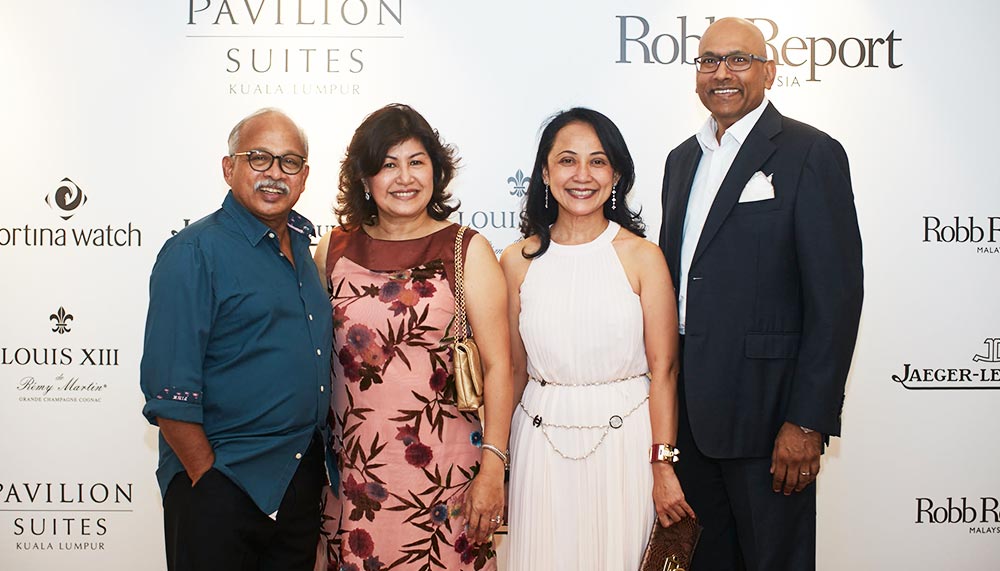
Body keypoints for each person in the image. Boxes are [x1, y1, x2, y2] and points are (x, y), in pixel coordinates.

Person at [658, 17, 864, 570]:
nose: (722, 73)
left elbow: (836, 299)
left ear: (768, 72)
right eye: (709, 61)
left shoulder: (810, 153)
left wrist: (807, 421)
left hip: (769, 421)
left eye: (738, 60)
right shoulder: (680, 161)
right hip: (689, 419)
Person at [313, 103, 513, 571]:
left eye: (416, 162)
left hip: (446, 474)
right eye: (388, 164)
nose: (404, 178)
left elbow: (499, 366)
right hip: (353, 474)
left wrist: (494, 466)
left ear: (436, 172)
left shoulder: (466, 249)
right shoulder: (333, 250)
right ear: (364, 178)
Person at [501, 108, 695, 571]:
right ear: (545, 173)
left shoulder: (643, 257)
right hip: (539, 445)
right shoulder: (516, 261)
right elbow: (512, 371)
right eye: (567, 160)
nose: (582, 175)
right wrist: (498, 462)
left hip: (627, 445)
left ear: (617, 175)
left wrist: (663, 464)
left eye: (598, 161)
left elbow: (665, 371)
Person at [140, 108, 333, 570]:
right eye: (259, 158)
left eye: (289, 162)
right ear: (229, 168)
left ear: (305, 177)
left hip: (297, 483)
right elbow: (168, 392)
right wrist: (208, 480)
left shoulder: (306, 251)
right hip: (223, 484)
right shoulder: (193, 252)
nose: (275, 173)